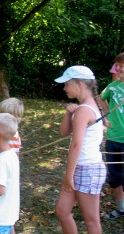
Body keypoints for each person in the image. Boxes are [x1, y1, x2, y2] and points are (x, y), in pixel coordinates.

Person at [54, 65, 106, 234]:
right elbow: (63, 133)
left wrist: (69, 176)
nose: (64, 88)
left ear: (79, 84)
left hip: (87, 168)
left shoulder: (84, 110)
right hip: (80, 167)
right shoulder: (83, 108)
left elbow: (76, 145)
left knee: (91, 221)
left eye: (67, 84)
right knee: (62, 211)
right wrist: (68, 114)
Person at [100, 52, 124, 219]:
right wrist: (107, 113)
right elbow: (101, 98)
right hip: (113, 137)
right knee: (115, 177)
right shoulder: (112, 87)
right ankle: (121, 207)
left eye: (123, 66)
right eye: (118, 66)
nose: (120, 68)